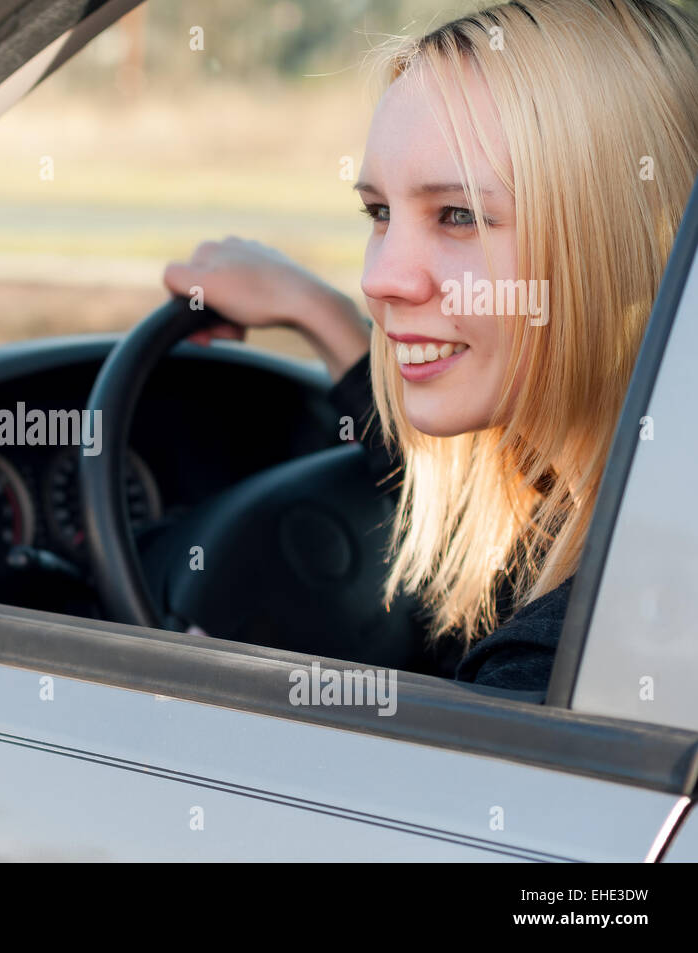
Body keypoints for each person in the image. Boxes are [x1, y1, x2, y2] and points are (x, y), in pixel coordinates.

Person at [161, 0, 698, 692]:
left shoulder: (559, 664)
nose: (378, 279)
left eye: (459, 215)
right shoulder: (627, 505)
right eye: (380, 212)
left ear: (631, 241)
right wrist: (315, 311)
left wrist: (233, 715)